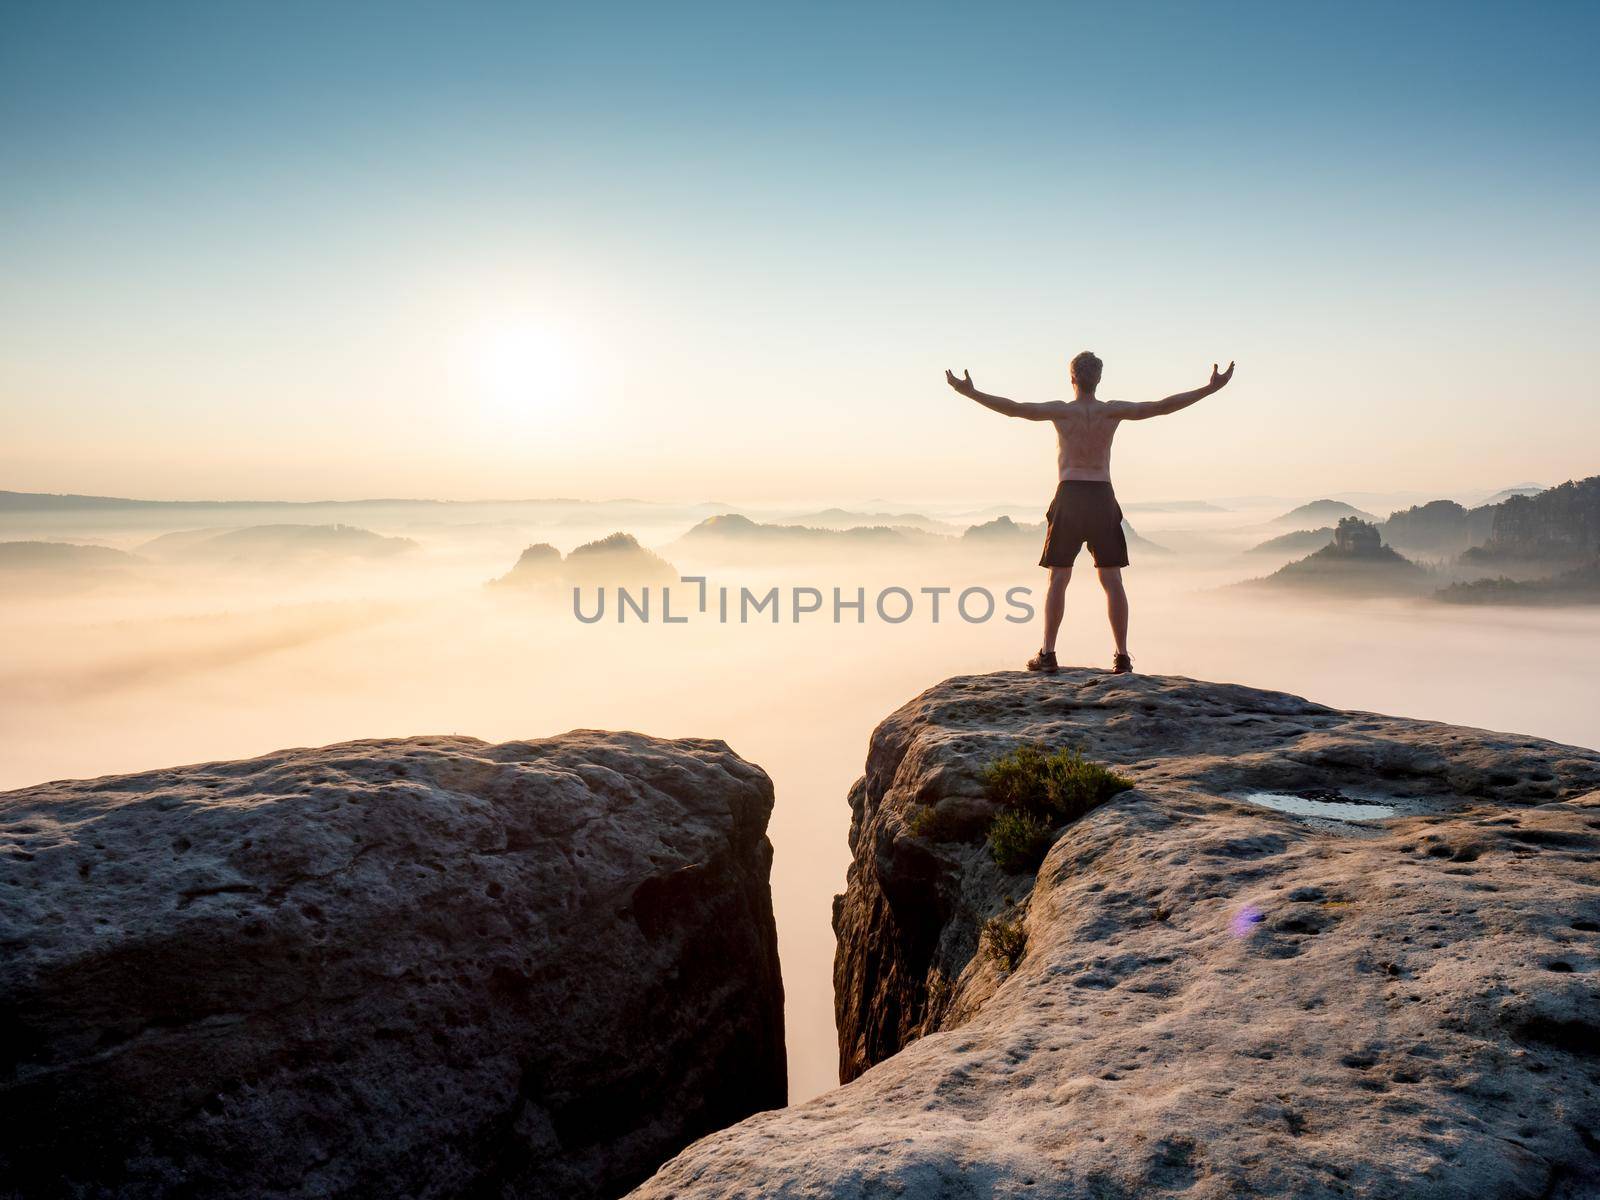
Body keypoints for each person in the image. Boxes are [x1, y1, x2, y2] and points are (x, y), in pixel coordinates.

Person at [945, 351, 1234, 675]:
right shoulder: (1111, 412)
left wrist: (970, 393)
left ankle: (1048, 653)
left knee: (1058, 578)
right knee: (1112, 579)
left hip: (1070, 494)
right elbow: (1160, 407)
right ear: (1098, 379)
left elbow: (1014, 410)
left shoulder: (1061, 412)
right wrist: (1209, 390)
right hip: (1101, 495)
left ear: (1072, 378)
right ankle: (1122, 657)